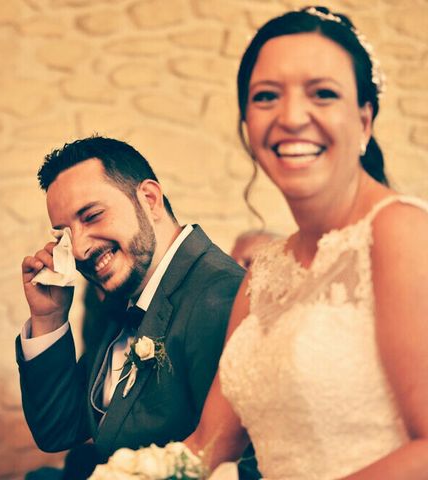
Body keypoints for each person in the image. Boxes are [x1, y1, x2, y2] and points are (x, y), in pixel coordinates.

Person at [183, 6, 428, 479]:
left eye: (323, 93)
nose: (292, 116)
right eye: (267, 96)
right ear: (248, 126)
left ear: (364, 121)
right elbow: (206, 447)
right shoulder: (262, 274)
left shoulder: (400, 231)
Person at [16, 136, 250, 475]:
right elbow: (58, 430)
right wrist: (48, 318)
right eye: (64, 234)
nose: (79, 250)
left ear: (150, 200)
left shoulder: (221, 300)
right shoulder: (122, 300)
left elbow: (239, 464)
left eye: (92, 216)